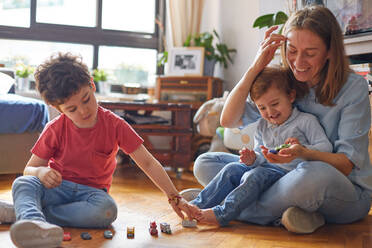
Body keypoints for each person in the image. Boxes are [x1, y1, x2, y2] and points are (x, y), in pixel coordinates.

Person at [187, 5, 372, 234]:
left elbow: (345, 164)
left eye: (310, 53)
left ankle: (224, 206)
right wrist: (256, 65)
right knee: (205, 163)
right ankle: (293, 214)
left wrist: (303, 152)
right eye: (292, 50)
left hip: (343, 190)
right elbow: (228, 120)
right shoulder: (287, 82)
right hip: (278, 178)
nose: (298, 62)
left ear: (329, 51)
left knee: (313, 174)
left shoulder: (353, 88)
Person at [2, 53, 194, 248]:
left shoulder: (115, 125)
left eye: (86, 99)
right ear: (58, 108)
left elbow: (147, 162)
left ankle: (27, 215)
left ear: (92, 85)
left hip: (92, 196)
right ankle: (33, 221)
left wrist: (174, 195)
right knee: (24, 183)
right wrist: (41, 172)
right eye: (72, 109)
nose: (83, 111)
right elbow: (29, 170)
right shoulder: (55, 128)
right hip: (56, 189)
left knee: (107, 211)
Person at [188, 66, 332, 226]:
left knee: (252, 176)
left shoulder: (306, 121)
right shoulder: (263, 125)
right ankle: (196, 206)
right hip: (263, 170)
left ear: (291, 96)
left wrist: (302, 150)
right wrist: (252, 159)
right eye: (262, 108)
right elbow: (260, 155)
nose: (270, 112)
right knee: (232, 169)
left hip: (288, 175)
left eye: (275, 103)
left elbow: (326, 148)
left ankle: (221, 214)